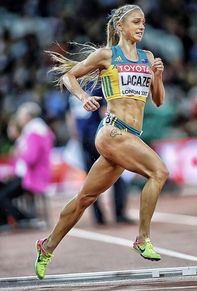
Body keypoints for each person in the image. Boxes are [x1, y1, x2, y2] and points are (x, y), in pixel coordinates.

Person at [35, 4, 168, 280]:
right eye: (136, 22)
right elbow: (69, 76)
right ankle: (143, 238)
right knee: (159, 172)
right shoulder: (107, 55)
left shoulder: (147, 57)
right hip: (112, 132)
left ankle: (46, 246)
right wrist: (84, 97)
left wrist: (157, 76)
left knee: (85, 198)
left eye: (143, 22)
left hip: (130, 136)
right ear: (120, 26)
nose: (141, 26)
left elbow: (158, 100)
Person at [68, 89, 134, 225]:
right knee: (116, 173)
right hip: (98, 136)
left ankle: (99, 217)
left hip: (84, 139)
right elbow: (105, 111)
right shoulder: (97, 87)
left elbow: (69, 117)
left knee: (91, 179)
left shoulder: (73, 91)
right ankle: (119, 213)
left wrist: (77, 135)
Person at [0, 102, 54, 227]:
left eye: (21, 115)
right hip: (33, 174)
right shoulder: (38, 129)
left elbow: (31, 158)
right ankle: (10, 221)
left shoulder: (34, 131)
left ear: (27, 117)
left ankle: (24, 219)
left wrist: (18, 153)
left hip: (33, 176)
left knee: (2, 195)